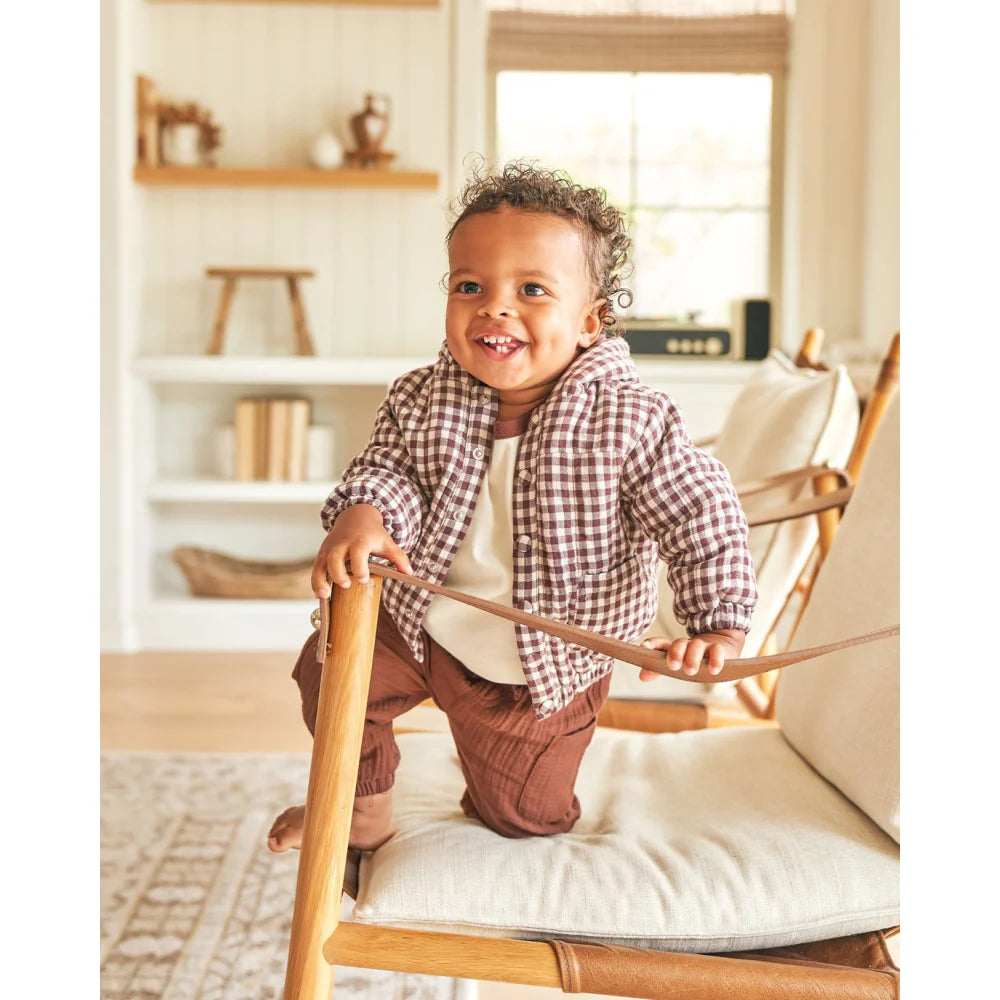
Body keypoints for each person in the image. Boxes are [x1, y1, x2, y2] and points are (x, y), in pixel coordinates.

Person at [268, 159, 757, 853]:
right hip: (422, 629)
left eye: (532, 289)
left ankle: (508, 793)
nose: (495, 307)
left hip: (541, 673)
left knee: (521, 819)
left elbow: (698, 511)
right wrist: (364, 514)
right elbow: (391, 469)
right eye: (471, 286)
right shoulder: (420, 397)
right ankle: (363, 809)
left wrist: (714, 626)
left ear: (590, 321)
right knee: (331, 665)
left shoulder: (628, 419)